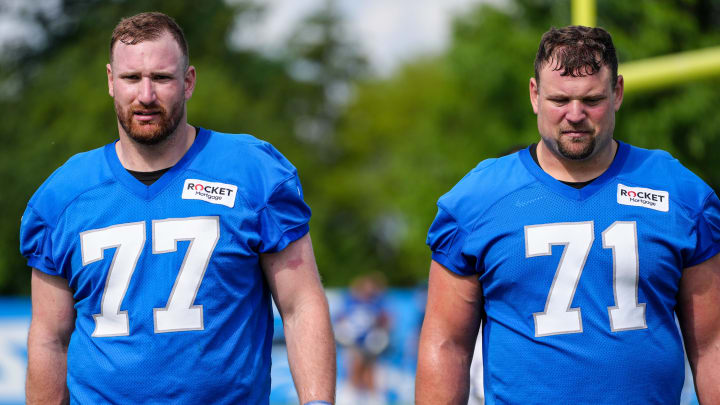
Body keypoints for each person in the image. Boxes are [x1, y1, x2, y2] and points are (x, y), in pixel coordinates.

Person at [19, 12, 335, 405]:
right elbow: (49, 338)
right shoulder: (63, 195)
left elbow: (300, 303)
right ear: (110, 82)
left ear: (188, 83)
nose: (146, 95)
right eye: (132, 78)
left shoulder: (252, 173)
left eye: (162, 78)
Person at [416, 25, 720, 404]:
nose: (575, 115)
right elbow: (446, 345)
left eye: (591, 99)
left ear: (618, 93)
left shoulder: (680, 192)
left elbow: (712, 345)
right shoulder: (477, 200)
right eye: (560, 99)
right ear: (534, 95)